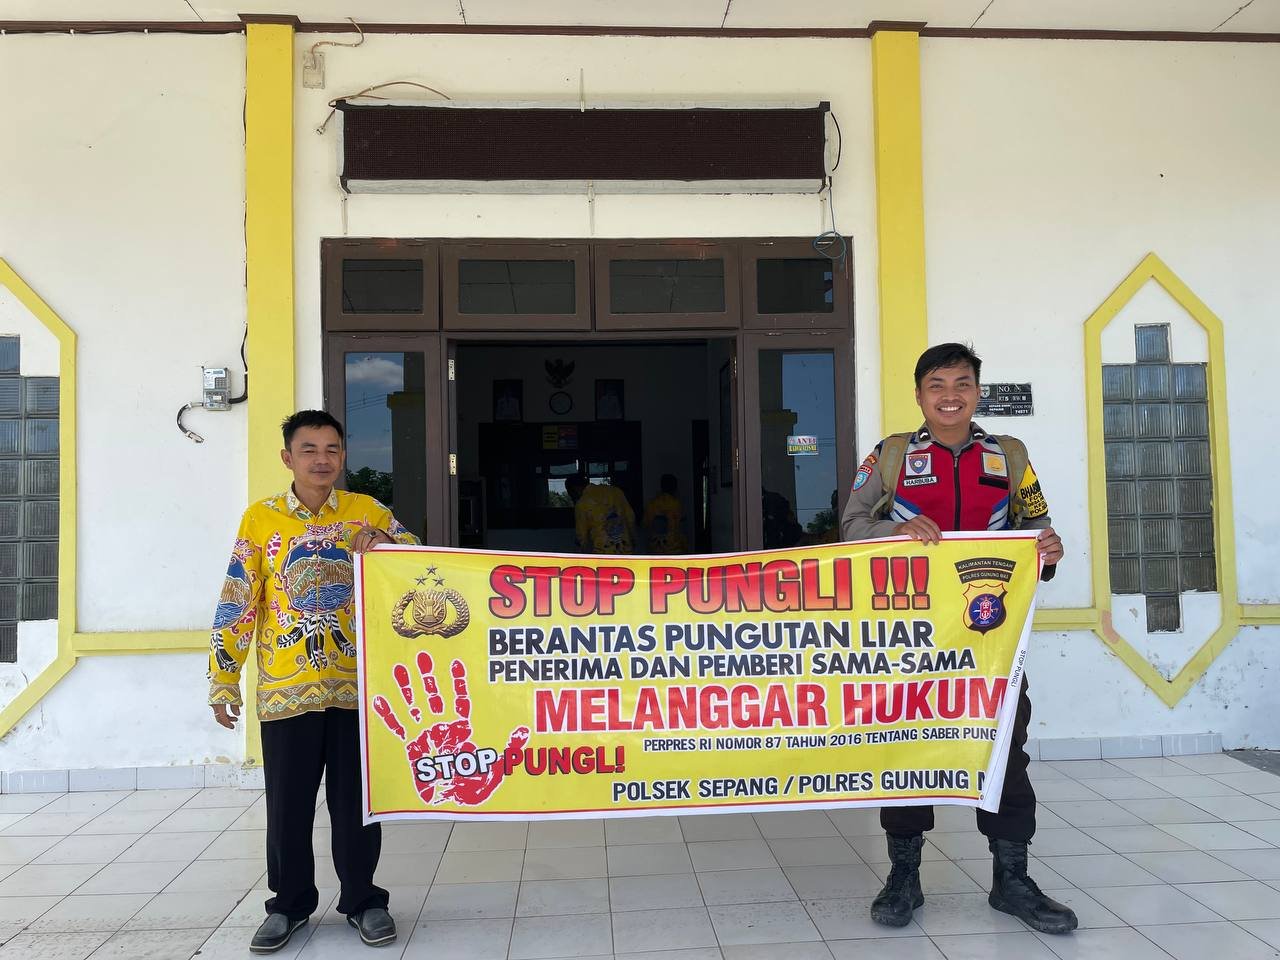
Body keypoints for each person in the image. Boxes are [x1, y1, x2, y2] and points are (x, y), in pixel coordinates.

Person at [840, 343, 1075, 936]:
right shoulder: (892, 455)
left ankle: (1012, 880)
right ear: (920, 395)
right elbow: (851, 528)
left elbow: (1035, 528)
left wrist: (1047, 549)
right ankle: (904, 876)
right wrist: (895, 529)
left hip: (990, 639)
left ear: (977, 392)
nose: (951, 395)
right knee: (905, 749)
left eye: (962, 383)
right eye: (937, 385)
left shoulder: (1009, 455)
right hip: (908, 637)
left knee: (1005, 751)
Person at [207, 410, 419, 954]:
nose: (322, 459)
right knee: (288, 805)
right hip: (286, 686)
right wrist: (224, 677)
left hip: (356, 684)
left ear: (343, 456)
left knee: (357, 803)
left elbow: (419, 566)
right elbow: (238, 598)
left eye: (331, 449)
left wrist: (385, 543)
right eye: (309, 449)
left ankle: (364, 900)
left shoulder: (367, 511)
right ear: (288, 457)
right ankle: (289, 904)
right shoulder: (261, 519)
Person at [566, 473, 635, 553]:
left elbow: (582, 537)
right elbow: (630, 518)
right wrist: (632, 540)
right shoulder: (616, 491)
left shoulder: (582, 503)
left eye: (572, 495)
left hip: (602, 553)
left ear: (575, 489)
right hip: (626, 550)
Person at [643, 474, 688, 554]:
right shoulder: (676, 505)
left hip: (655, 548)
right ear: (675, 488)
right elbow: (681, 529)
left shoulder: (651, 504)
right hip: (674, 549)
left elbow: (645, 524)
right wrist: (685, 547)